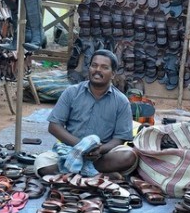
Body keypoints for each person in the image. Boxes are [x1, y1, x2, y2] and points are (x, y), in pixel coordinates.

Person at [35, 49, 138, 177]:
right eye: (94, 65)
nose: (98, 70)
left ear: (113, 74)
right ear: (89, 68)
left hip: (101, 155)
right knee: (41, 163)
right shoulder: (71, 92)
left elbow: (120, 138)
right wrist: (81, 146)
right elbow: (54, 126)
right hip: (70, 149)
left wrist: (99, 149)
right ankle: (96, 173)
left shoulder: (121, 101)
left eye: (104, 67)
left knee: (128, 156)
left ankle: (73, 170)